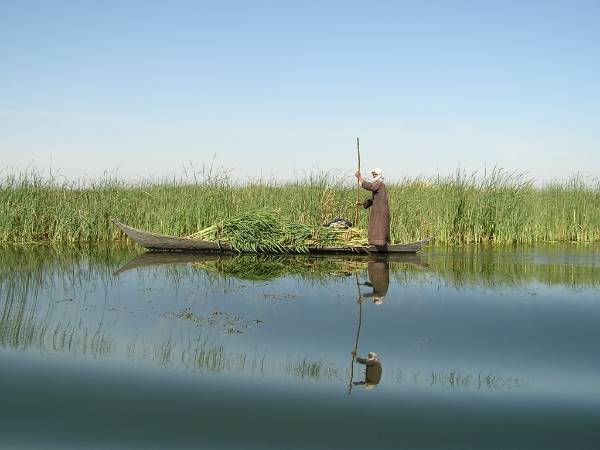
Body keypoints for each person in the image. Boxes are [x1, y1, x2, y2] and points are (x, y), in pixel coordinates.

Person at [355, 168, 390, 246]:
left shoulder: (379, 184)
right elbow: (373, 200)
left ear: (379, 175)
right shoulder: (377, 185)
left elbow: (370, 186)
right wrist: (362, 203)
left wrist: (360, 178)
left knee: (379, 228)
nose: (374, 176)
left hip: (380, 212)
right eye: (373, 175)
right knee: (375, 227)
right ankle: (375, 244)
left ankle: (380, 244)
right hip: (378, 211)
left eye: (375, 174)